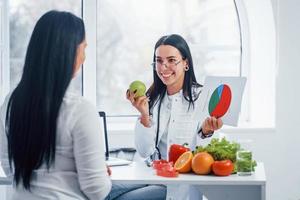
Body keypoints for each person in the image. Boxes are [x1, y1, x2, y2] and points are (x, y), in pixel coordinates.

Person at [0, 11, 111, 200]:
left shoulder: (10, 103)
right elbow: (96, 190)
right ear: (69, 52)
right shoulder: (80, 110)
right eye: (83, 48)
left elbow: (10, 170)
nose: (84, 57)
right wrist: (101, 173)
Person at [127, 34, 223, 199]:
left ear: (185, 63)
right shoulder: (152, 99)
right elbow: (144, 151)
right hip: (153, 178)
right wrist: (144, 115)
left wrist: (206, 132)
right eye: (159, 61)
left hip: (182, 187)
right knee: (104, 190)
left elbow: (207, 158)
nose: (163, 67)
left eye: (171, 60)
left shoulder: (203, 97)